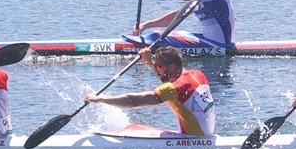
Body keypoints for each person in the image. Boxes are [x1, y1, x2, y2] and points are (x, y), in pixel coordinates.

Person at [85, 47, 215, 136]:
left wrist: (100, 99)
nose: (157, 71)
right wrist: (149, 62)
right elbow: (170, 80)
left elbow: (135, 101)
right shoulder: (197, 75)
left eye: (158, 67)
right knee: (134, 127)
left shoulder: (173, 88)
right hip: (206, 135)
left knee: (132, 129)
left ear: (171, 66)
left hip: (193, 140)